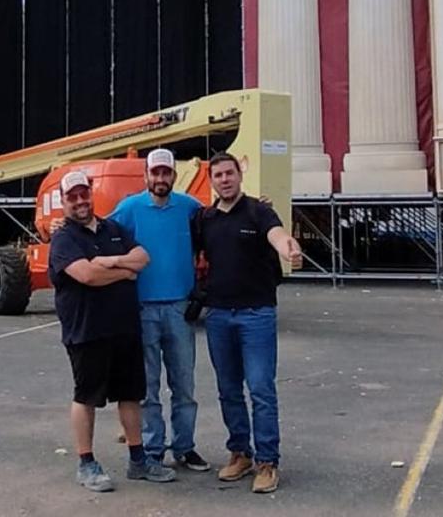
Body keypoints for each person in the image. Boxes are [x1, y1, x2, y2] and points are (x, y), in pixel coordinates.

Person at [48, 170, 177, 492]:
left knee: (131, 394)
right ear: (64, 201)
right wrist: (122, 272)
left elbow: (142, 257)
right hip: (87, 332)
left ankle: (138, 460)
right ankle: (86, 463)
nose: (79, 201)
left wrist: (109, 261)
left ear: (91, 193)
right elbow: (87, 276)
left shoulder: (113, 228)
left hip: (124, 328)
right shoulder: (64, 238)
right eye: (72, 196)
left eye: (83, 194)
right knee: (86, 397)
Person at [193, 151, 303, 495]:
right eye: (218, 175)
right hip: (219, 316)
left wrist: (288, 247)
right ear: (211, 181)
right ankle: (240, 453)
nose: (225, 180)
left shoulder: (259, 210)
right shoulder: (205, 219)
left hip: (256, 314)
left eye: (230, 173)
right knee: (228, 391)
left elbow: (277, 234)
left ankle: (267, 462)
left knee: (260, 389)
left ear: (240, 175)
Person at [108, 148, 209, 473]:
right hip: (142, 310)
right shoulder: (129, 208)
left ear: (173, 176)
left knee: (184, 384)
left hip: (180, 308)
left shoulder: (190, 208)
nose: (161, 178)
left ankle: (185, 447)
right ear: (146, 175)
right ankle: (152, 449)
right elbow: (104, 235)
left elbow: (219, 221)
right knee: (147, 387)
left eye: (166, 173)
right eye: (156, 173)